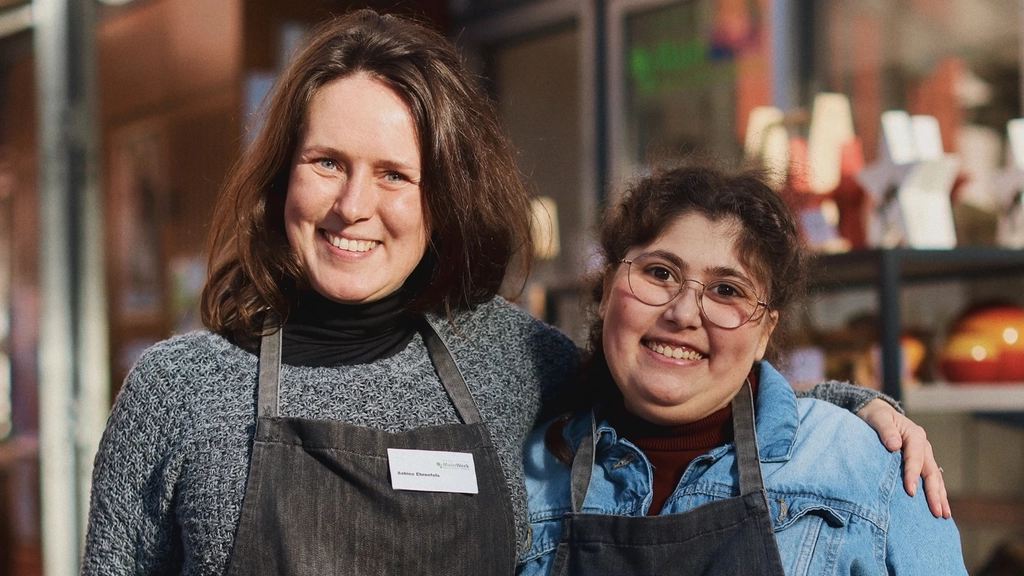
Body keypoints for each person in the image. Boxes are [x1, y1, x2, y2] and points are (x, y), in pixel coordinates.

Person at [82, 10, 947, 575]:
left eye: (396, 175)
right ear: (280, 178)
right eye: (326, 163)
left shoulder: (505, 356)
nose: (354, 206)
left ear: (445, 194)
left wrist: (858, 406)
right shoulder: (180, 391)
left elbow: (677, 385)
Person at [518, 163, 966, 576]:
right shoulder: (530, 476)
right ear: (606, 291)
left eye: (727, 290)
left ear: (764, 334)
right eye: (659, 273)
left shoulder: (864, 470)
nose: (684, 313)